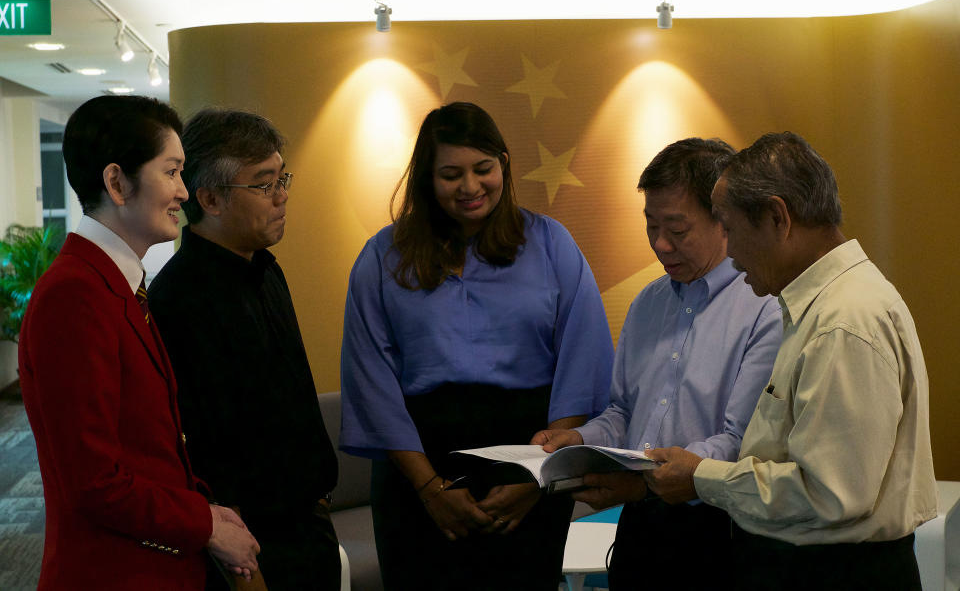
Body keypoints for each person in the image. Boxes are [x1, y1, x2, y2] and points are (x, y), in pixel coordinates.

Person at [339, 101, 613, 590]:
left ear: (503, 164)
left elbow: (583, 363)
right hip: (417, 471)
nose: (469, 187)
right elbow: (371, 379)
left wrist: (536, 480)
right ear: (426, 177)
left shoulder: (551, 243)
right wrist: (429, 489)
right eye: (450, 174)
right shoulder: (384, 255)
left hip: (531, 462)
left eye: (482, 169)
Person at [646, 132, 938, 590]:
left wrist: (702, 476)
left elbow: (830, 494)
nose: (730, 249)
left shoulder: (843, 321)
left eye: (729, 227)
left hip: (834, 572)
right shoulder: (826, 305)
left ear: (778, 217)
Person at [17, 95, 260, 590]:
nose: (184, 193)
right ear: (116, 182)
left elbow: (147, 447)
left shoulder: (112, 281)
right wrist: (205, 525)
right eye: (172, 172)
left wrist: (207, 510)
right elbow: (94, 481)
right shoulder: (75, 294)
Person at [532, 137, 782, 590]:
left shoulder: (763, 305)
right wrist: (580, 438)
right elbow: (624, 412)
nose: (661, 245)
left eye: (677, 229)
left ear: (723, 219)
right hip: (639, 531)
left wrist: (646, 482)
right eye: (651, 226)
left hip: (721, 533)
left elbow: (742, 443)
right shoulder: (648, 302)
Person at [148, 108, 341, 590]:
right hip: (249, 544)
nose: (282, 196)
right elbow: (203, 442)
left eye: (282, 178)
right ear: (210, 198)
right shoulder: (180, 297)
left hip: (307, 522)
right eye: (264, 184)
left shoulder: (265, 268)